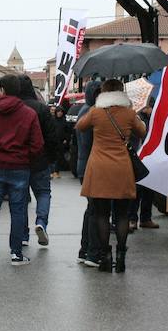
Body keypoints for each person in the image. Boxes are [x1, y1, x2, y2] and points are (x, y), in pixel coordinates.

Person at [75, 79, 146, 273]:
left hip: (99, 168)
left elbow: (79, 126)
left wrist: (96, 111)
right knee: (122, 215)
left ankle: (105, 257)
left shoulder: (96, 113)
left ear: (103, 94)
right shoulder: (130, 114)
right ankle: (121, 256)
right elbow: (142, 131)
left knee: (101, 214)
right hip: (122, 168)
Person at [0, 74, 43, 267]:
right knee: (18, 210)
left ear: (2, 90)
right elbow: (37, 145)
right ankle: (16, 253)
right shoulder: (29, 114)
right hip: (19, 167)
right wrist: (25, 156)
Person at [17, 74, 59, 247]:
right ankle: (41, 222)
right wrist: (51, 158)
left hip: (17, 160)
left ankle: (23, 235)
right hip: (40, 159)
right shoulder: (41, 109)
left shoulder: (14, 108)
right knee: (43, 193)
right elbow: (52, 136)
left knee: (20, 198)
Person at [74, 80, 102, 267]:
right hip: (90, 165)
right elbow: (87, 143)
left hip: (86, 165)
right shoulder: (89, 112)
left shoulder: (87, 111)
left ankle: (85, 251)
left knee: (92, 209)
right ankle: (91, 252)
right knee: (95, 210)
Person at [129, 97, 158, 230]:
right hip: (138, 156)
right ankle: (132, 218)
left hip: (149, 157)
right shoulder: (136, 118)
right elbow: (139, 134)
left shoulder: (153, 118)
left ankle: (146, 218)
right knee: (137, 190)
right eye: (150, 107)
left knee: (149, 189)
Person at [50, 105, 69, 178]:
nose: (59, 113)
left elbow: (67, 131)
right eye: (58, 112)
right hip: (54, 141)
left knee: (59, 157)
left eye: (61, 112)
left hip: (61, 142)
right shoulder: (52, 120)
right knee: (53, 156)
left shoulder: (64, 120)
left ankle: (56, 171)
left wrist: (66, 139)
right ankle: (52, 171)